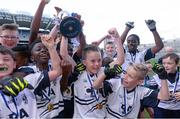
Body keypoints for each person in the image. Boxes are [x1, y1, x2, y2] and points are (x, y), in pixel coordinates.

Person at [0, 34, 61, 118]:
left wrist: (51, 47)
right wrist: (7, 80)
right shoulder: (25, 72)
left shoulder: (30, 79)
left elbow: (57, 71)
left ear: (14, 64)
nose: (1, 62)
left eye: (6, 59)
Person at [69, 28, 124, 118]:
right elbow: (64, 54)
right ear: (84, 62)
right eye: (93, 61)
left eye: (99, 60)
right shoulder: (78, 72)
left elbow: (120, 60)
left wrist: (117, 38)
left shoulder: (103, 71)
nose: (97, 64)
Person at [93, 63, 170, 118]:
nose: (125, 77)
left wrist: (163, 78)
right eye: (126, 73)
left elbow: (165, 97)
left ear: (140, 81)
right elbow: (95, 86)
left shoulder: (141, 91)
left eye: (130, 76)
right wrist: (105, 73)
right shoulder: (116, 83)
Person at [153, 53, 180, 118]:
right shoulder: (156, 77)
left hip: (177, 109)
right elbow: (147, 91)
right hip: (161, 109)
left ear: (177, 64)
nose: (166, 66)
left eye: (169, 63)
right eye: (164, 63)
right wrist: (161, 94)